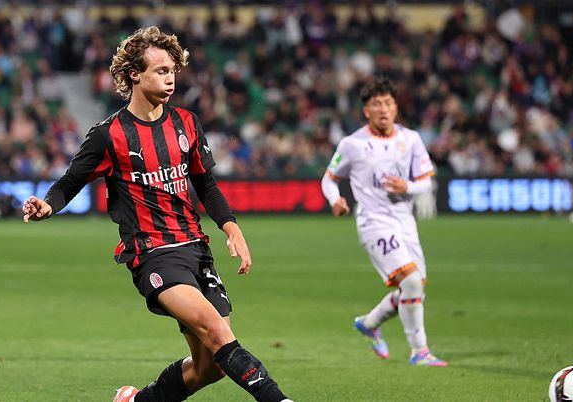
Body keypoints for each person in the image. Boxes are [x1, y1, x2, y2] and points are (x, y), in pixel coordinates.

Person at [22, 27, 292, 402]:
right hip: (154, 254)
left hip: (196, 248)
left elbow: (206, 184)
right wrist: (47, 205)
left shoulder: (186, 123)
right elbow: (70, 181)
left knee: (209, 366)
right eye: (161, 70)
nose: (170, 79)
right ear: (135, 74)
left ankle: (137, 401)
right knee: (218, 331)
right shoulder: (108, 134)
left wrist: (232, 227)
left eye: (172, 71)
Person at [321, 76, 447, 367]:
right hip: (374, 223)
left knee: (413, 289)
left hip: (405, 223)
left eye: (388, 103)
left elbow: (426, 181)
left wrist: (408, 187)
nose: (383, 109)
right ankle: (420, 352)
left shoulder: (411, 139)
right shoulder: (353, 144)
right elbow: (329, 178)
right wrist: (335, 199)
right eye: (376, 104)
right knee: (412, 282)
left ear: (396, 107)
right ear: (366, 110)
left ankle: (368, 323)